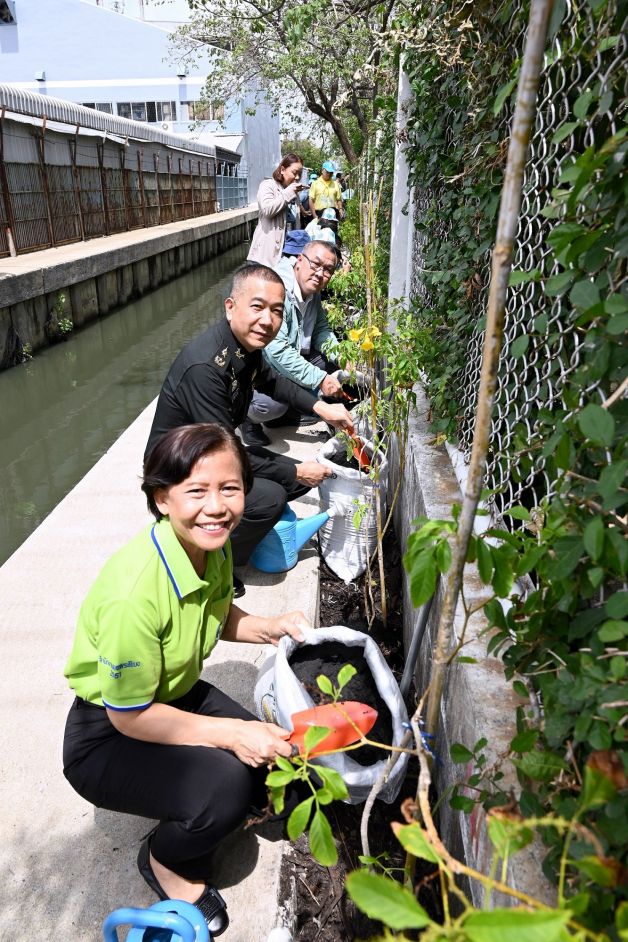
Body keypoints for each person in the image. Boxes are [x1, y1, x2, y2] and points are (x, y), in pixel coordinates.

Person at [63, 423, 308, 939]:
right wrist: (233, 733)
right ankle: (165, 860)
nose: (216, 507)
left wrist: (270, 627)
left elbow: (216, 611)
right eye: (196, 491)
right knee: (225, 787)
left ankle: (227, 800)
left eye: (230, 488)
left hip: (173, 694)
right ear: (162, 498)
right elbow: (129, 715)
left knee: (275, 756)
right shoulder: (135, 594)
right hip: (110, 731)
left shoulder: (210, 546)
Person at [145, 263, 354, 592]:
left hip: (209, 454)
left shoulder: (247, 348)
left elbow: (275, 383)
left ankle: (227, 532)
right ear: (231, 307)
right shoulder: (205, 366)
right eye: (257, 307)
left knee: (295, 481)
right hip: (177, 470)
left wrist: (322, 408)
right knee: (271, 497)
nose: (267, 320)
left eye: (277, 311)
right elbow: (222, 454)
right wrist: (296, 470)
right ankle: (211, 566)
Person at [247, 153, 306, 267]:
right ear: (282, 169)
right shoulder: (268, 185)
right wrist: (289, 192)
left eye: (300, 174)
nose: (297, 177)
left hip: (286, 256)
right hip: (265, 257)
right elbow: (267, 210)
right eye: (294, 173)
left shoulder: (294, 192)